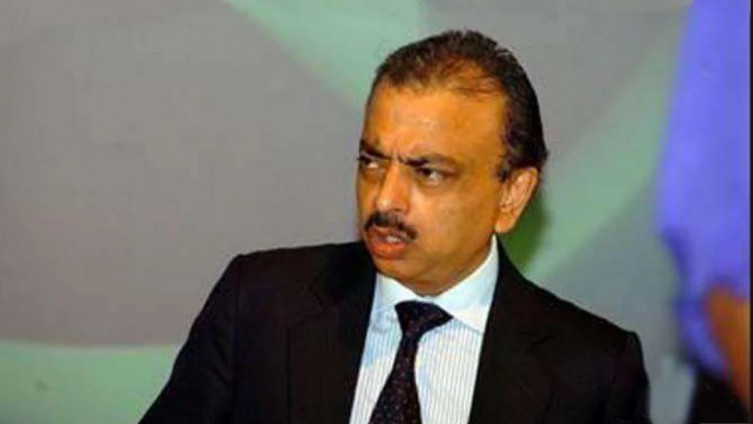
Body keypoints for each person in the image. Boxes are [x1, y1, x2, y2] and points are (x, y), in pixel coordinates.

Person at [140, 30, 650, 424]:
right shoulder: (259, 306)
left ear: (511, 194)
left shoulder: (591, 372)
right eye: (372, 162)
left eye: (428, 173)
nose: (385, 198)